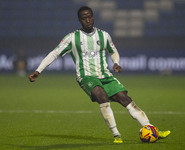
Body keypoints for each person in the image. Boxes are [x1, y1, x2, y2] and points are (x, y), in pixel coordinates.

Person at [28, 6, 171, 143]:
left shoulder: (104, 35)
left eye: (90, 17)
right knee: (101, 95)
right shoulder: (72, 38)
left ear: (93, 17)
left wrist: (116, 62)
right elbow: (54, 53)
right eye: (84, 18)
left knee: (124, 98)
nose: (88, 20)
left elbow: (113, 51)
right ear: (80, 20)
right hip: (86, 76)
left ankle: (152, 129)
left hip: (105, 75)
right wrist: (38, 70)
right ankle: (116, 135)